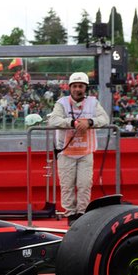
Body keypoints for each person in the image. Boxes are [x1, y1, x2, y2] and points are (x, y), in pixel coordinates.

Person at [45, 71, 109, 224]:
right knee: (67, 185)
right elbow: (54, 120)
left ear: (85, 88)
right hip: (65, 151)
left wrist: (90, 122)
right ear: (70, 87)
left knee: (84, 184)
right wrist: (72, 123)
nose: (77, 89)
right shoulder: (61, 103)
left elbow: (104, 119)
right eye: (74, 86)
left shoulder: (93, 103)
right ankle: (70, 215)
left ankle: (82, 214)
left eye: (80, 86)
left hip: (85, 152)